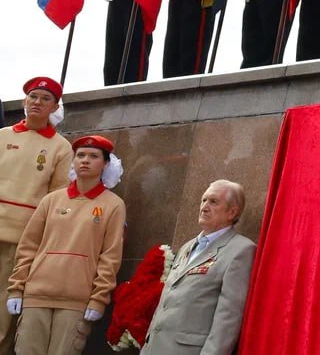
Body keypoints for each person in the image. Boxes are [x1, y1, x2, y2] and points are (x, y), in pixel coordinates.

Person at [7, 135, 125, 355]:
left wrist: (98, 299)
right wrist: (16, 288)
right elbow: (28, 246)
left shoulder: (113, 205)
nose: (85, 160)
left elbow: (111, 257)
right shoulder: (51, 200)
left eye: (93, 156)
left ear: (106, 163)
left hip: (76, 302)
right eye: (80, 155)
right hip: (36, 296)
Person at [140, 180, 255, 355]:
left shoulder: (240, 250)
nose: (204, 207)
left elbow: (228, 318)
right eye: (203, 200)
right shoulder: (187, 247)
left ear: (232, 212)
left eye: (214, 202)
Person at [0, 79, 72, 355]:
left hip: (21, 239)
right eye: (33, 96)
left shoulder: (60, 147)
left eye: (45, 99)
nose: (37, 102)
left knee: (4, 310)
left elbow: (56, 197)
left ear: (54, 106)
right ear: (24, 102)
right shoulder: (3, 135)